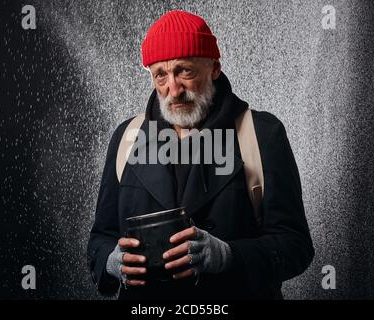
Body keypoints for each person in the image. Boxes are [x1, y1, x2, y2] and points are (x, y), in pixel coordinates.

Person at [87, 10, 314, 300]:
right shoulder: (126, 138)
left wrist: (229, 256)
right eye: (161, 76)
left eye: (185, 71)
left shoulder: (262, 135)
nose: (174, 90)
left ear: (214, 68)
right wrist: (110, 262)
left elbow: (296, 246)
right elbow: (100, 238)